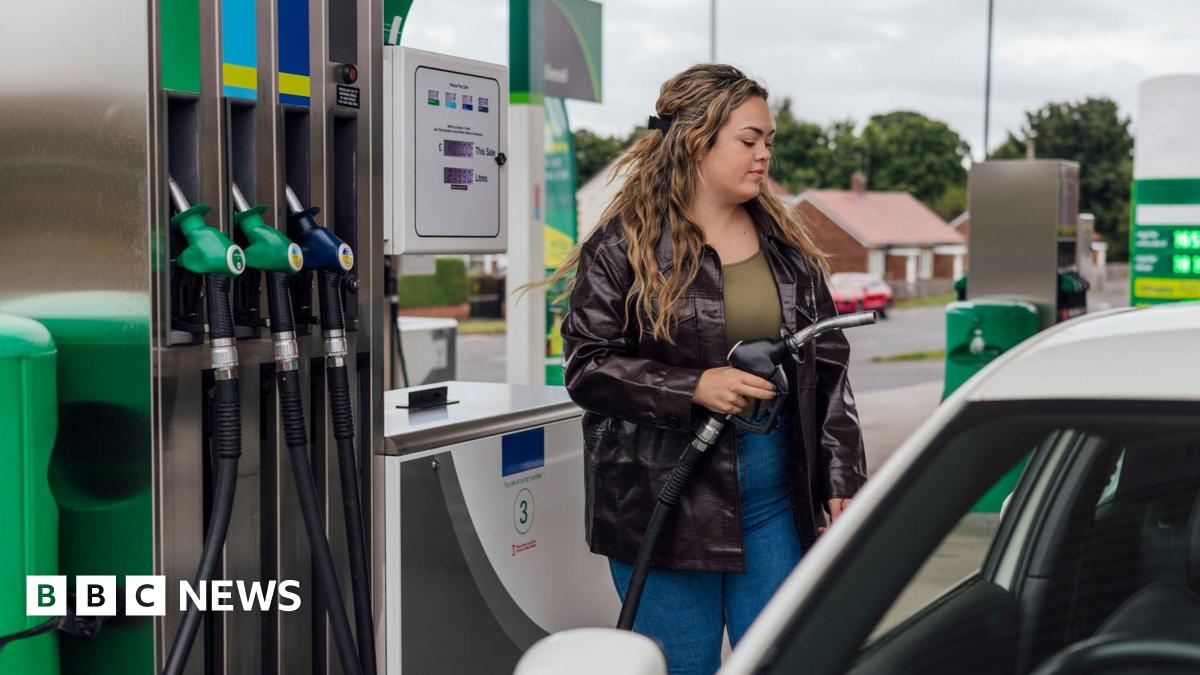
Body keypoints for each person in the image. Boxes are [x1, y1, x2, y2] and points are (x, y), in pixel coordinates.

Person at [549, 64, 867, 675]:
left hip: (775, 499)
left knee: (780, 661)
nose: (764, 155)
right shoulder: (624, 247)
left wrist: (840, 478)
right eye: (750, 141)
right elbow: (588, 366)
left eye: (768, 142)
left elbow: (828, 367)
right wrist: (693, 386)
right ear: (697, 139)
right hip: (665, 507)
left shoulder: (787, 248)